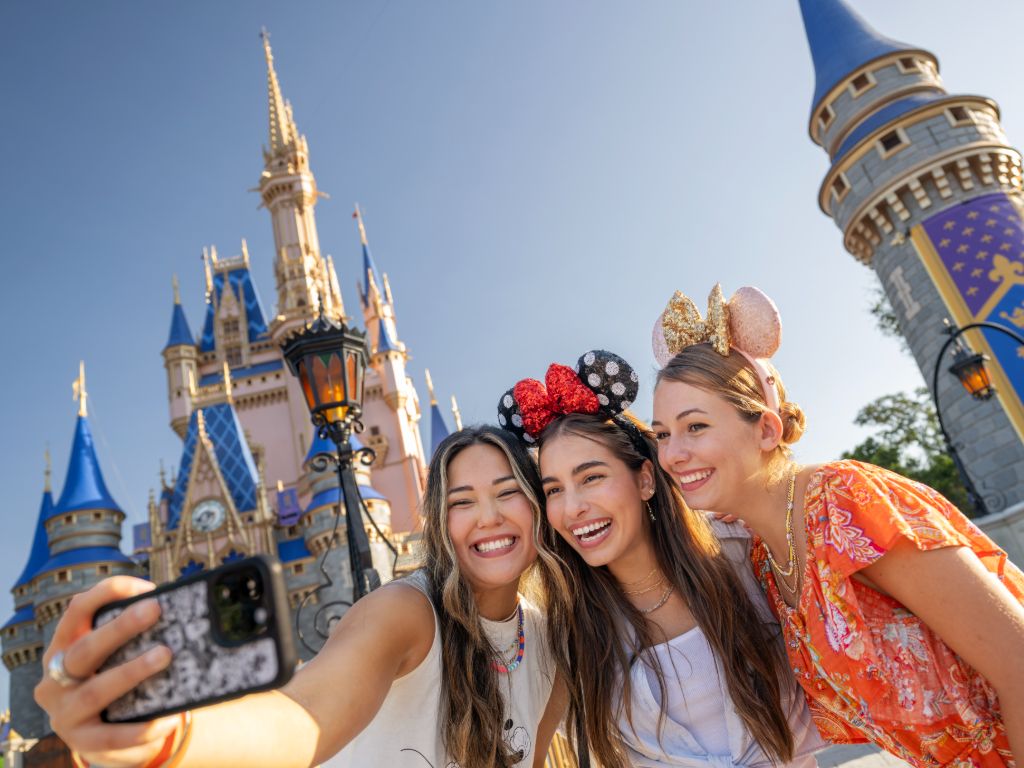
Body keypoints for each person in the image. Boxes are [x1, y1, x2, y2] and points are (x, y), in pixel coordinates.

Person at [35, 426, 572, 768]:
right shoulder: (407, 612)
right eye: (462, 501)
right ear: (438, 524)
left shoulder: (550, 642)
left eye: (509, 493)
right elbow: (305, 713)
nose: (488, 517)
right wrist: (174, 736)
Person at [650, 284, 1024, 767]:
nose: (672, 454)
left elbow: (1018, 661)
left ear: (766, 429)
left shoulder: (845, 504)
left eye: (695, 426)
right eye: (662, 434)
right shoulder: (765, 557)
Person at [497, 351, 823, 768]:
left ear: (645, 479)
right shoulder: (569, 629)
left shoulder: (742, 551)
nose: (573, 507)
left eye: (591, 477)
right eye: (554, 490)